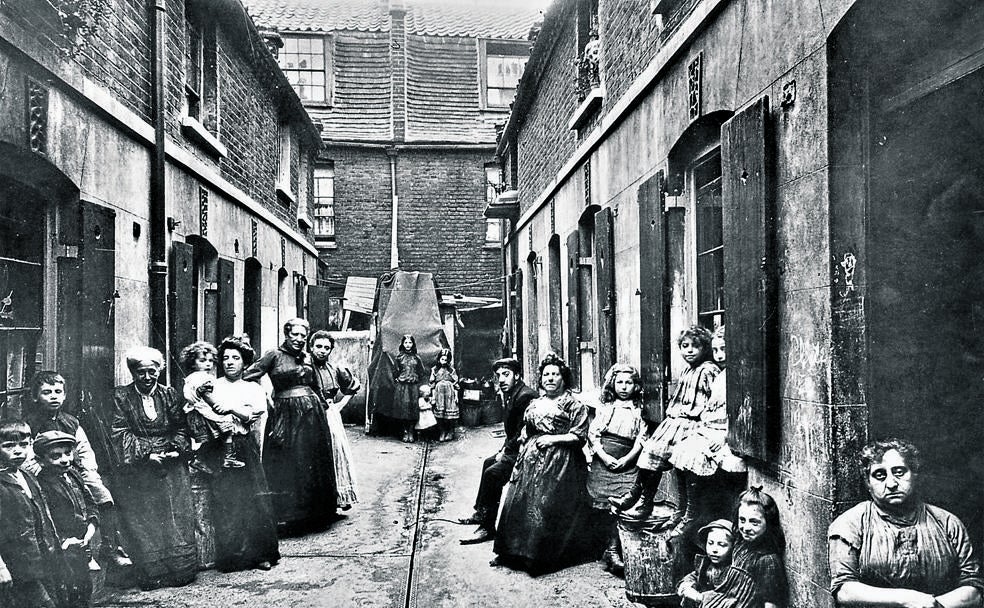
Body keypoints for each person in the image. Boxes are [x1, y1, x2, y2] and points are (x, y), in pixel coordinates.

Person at [828, 439, 984, 608]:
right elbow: (843, 590)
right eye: (879, 475)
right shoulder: (850, 524)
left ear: (914, 474)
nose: (891, 484)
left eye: (899, 472)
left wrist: (933, 605)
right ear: (868, 482)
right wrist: (904, 598)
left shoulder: (948, 523)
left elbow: (974, 589)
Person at [611, 325, 718, 531]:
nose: (689, 350)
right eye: (685, 346)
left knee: (682, 468)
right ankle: (639, 497)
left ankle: (683, 514)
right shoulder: (687, 369)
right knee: (651, 451)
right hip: (676, 421)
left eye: (695, 346)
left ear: (705, 348)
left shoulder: (708, 370)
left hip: (694, 424)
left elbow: (714, 402)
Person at [492, 353, 591, 574]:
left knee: (545, 507)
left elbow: (579, 437)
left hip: (561, 464)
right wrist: (524, 441)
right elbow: (527, 428)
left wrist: (552, 439)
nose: (550, 378)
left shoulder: (574, 405)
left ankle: (536, 558)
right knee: (517, 502)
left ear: (564, 378)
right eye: (546, 375)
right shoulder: (535, 403)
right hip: (530, 462)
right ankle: (510, 553)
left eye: (555, 374)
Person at [22, 371, 131, 571]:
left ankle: (110, 547)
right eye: (47, 392)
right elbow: (27, 456)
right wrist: (41, 471)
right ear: (35, 397)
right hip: (44, 475)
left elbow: (84, 451)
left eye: (58, 392)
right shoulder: (30, 424)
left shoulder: (71, 422)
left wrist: (89, 475)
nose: (53, 396)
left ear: (64, 395)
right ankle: (75, 552)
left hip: (74, 472)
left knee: (103, 496)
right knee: (63, 505)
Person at [109, 346, 197, 590]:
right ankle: (153, 573)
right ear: (133, 372)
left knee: (174, 516)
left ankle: (179, 570)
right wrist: (147, 454)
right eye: (141, 372)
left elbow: (181, 426)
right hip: (139, 467)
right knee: (145, 519)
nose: (147, 377)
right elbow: (119, 431)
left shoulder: (169, 394)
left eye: (152, 371)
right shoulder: (121, 397)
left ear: (159, 370)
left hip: (170, 466)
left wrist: (175, 449)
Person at [242, 318, 339, 534]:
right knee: (288, 462)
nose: (299, 339)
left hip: (312, 414)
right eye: (295, 334)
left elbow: (315, 384)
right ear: (286, 334)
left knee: (312, 460)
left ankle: (316, 514)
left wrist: (323, 406)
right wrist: (265, 396)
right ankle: (290, 515)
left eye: (303, 335)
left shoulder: (307, 357)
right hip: (285, 414)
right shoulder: (273, 355)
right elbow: (248, 375)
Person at [203, 337, 280, 572]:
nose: (229, 362)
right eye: (225, 358)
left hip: (243, 445)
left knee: (253, 498)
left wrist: (231, 409)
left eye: (235, 358)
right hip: (218, 446)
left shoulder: (252, 388)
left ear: (245, 362)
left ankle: (260, 554)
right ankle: (232, 556)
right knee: (226, 500)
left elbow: (253, 415)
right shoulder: (212, 386)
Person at [669, 326, 745, 535]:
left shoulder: (738, 375)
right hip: (711, 427)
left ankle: (693, 514)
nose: (719, 355)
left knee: (696, 454)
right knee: (682, 448)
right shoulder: (721, 375)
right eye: (716, 350)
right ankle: (685, 508)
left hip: (725, 432)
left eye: (724, 349)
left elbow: (739, 413)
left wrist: (725, 437)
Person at [458, 357, 537, 546]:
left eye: (506, 374)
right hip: (514, 447)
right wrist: (502, 449)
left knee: (493, 473)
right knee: (488, 462)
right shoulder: (512, 393)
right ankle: (481, 512)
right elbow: (511, 432)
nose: (501, 379)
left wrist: (506, 452)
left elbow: (522, 432)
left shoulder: (525, 397)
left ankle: (487, 528)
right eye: (499, 375)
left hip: (525, 450)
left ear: (517, 376)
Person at [587, 363, 647, 575]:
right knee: (603, 504)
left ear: (635, 386)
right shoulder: (606, 407)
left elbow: (641, 438)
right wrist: (605, 457)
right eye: (619, 382)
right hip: (604, 460)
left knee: (623, 500)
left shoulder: (639, 410)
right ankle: (608, 549)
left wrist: (627, 460)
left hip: (627, 462)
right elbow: (593, 435)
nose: (623, 386)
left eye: (628, 382)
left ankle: (615, 550)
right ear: (613, 384)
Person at [33, 431, 96, 608]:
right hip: (64, 547)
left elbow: (90, 502)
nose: (64, 460)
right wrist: (63, 540)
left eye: (68, 453)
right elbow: (45, 518)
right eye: (56, 456)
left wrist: (91, 526)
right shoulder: (41, 484)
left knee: (85, 585)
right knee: (69, 588)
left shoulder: (74, 474)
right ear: (40, 460)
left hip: (82, 541)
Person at [0, 420, 58, 608]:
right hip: (17, 567)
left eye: (23, 444)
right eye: (9, 446)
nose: (18, 451)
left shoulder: (27, 476)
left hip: (41, 562)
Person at [699, 487, 788, 608]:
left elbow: (771, 604)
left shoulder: (767, 560)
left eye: (754, 522)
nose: (746, 528)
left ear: (768, 523)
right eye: (742, 520)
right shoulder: (740, 545)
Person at [309, 330, 361, 510]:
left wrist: (340, 404)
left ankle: (339, 497)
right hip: (309, 414)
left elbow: (353, 385)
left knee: (336, 451)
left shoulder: (334, 369)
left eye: (326, 348)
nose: (322, 351)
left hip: (329, 414)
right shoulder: (304, 368)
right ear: (311, 347)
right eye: (318, 346)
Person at [180, 341, 246, 470]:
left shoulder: (191, 378)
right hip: (205, 412)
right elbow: (206, 395)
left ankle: (199, 459)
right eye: (202, 361)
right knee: (227, 429)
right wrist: (218, 407)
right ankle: (228, 458)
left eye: (210, 361)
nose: (208, 364)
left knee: (212, 438)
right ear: (192, 363)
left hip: (196, 411)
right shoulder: (203, 378)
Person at [677, 518, 736, 607]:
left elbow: (729, 598)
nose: (714, 549)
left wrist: (699, 597)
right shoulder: (706, 564)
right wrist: (687, 584)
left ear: (733, 547)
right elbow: (696, 575)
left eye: (722, 545)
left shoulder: (734, 571)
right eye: (710, 543)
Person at [391, 334, 425, 443]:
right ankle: (405, 431)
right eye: (406, 342)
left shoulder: (416, 358)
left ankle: (411, 431)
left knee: (413, 409)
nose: (408, 345)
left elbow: (421, 371)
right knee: (404, 410)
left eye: (410, 342)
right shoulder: (399, 358)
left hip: (413, 387)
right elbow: (394, 371)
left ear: (413, 344)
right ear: (402, 344)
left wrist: (415, 378)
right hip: (402, 387)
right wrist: (398, 379)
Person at [430, 348, 459, 442]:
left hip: (449, 393)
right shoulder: (435, 370)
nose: (444, 361)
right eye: (442, 359)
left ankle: (450, 431)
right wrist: (433, 397)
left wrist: (456, 396)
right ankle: (442, 431)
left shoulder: (451, 370)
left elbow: (456, 385)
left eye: (446, 360)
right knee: (439, 414)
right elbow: (432, 385)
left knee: (450, 414)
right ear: (439, 359)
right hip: (439, 393)